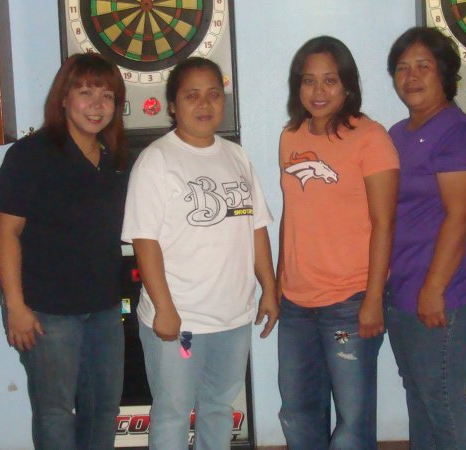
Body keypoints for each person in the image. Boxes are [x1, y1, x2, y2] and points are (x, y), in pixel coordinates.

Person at [121, 57, 278, 450]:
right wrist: (164, 308)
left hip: (233, 317)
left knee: (219, 409)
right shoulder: (156, 160)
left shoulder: (236, 156)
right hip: (181, 320)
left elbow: (256, 228)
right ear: (173, 105)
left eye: (213, 94)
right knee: (173, 412)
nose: (204, 104)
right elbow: (144, 241)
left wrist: (270, 289)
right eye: (192, 95)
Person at [0, 53, 129, 450]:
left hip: (104, 308)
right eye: (85, 92)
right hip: (45, 311)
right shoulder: (30, 155)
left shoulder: (116, 159)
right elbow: (6, 234)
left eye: (107, 95)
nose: (97, 104)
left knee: (103, 408)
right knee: (55, 411)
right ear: (64, 98)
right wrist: (16, 307)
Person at [277, 36, 400, 450]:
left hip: (349, 301)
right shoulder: (290, 137)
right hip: (295, 303)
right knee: (297, 412)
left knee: (352, 423)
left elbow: (385, 223)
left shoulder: (370, 137)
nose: (319, 90)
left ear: (347, 85)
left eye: (330, 80)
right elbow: (292, 215)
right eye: (308, 80)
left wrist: (374, 299)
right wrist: (278, 283)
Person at [385, 27, 466, 450]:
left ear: (444, 73)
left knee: (442, 399)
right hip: (403, 287)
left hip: (442, 291)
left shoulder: (457, 133)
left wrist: (434, 289)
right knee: (419, 393)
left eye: (423, 66)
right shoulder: (397, 134)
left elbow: (462, 216)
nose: (411, 76)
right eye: (402, 68)